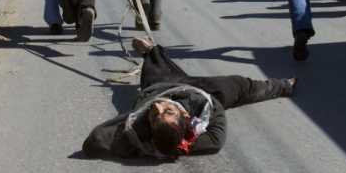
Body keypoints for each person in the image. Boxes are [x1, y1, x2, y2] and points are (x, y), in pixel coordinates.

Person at [82, 37, 297, 159]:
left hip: (160, 85)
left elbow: (94, 141)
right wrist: (173, 147)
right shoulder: (206, 122)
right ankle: (283, 87)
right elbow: (214, 140)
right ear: (184, 115)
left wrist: (142, 145)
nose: (158, 108)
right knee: (242, 86)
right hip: (205, 94)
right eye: (166, 112)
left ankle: (150, 51)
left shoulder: (140, 124)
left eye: (155, 115)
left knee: (155, 66)